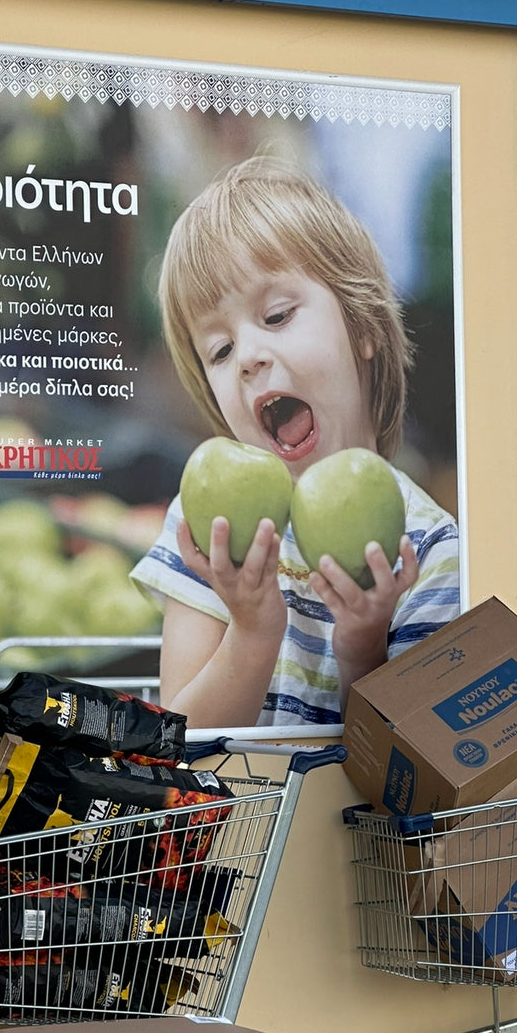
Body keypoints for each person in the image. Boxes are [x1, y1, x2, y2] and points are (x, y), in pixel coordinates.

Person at [131, 156, 459, 728]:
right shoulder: (212, 528)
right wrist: (254, 633)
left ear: (361, 328)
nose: (250, 357)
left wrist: (363, 650)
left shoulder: (425, 550)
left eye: (277, 315)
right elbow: (176, 744)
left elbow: (407, 773)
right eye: (221, 350)